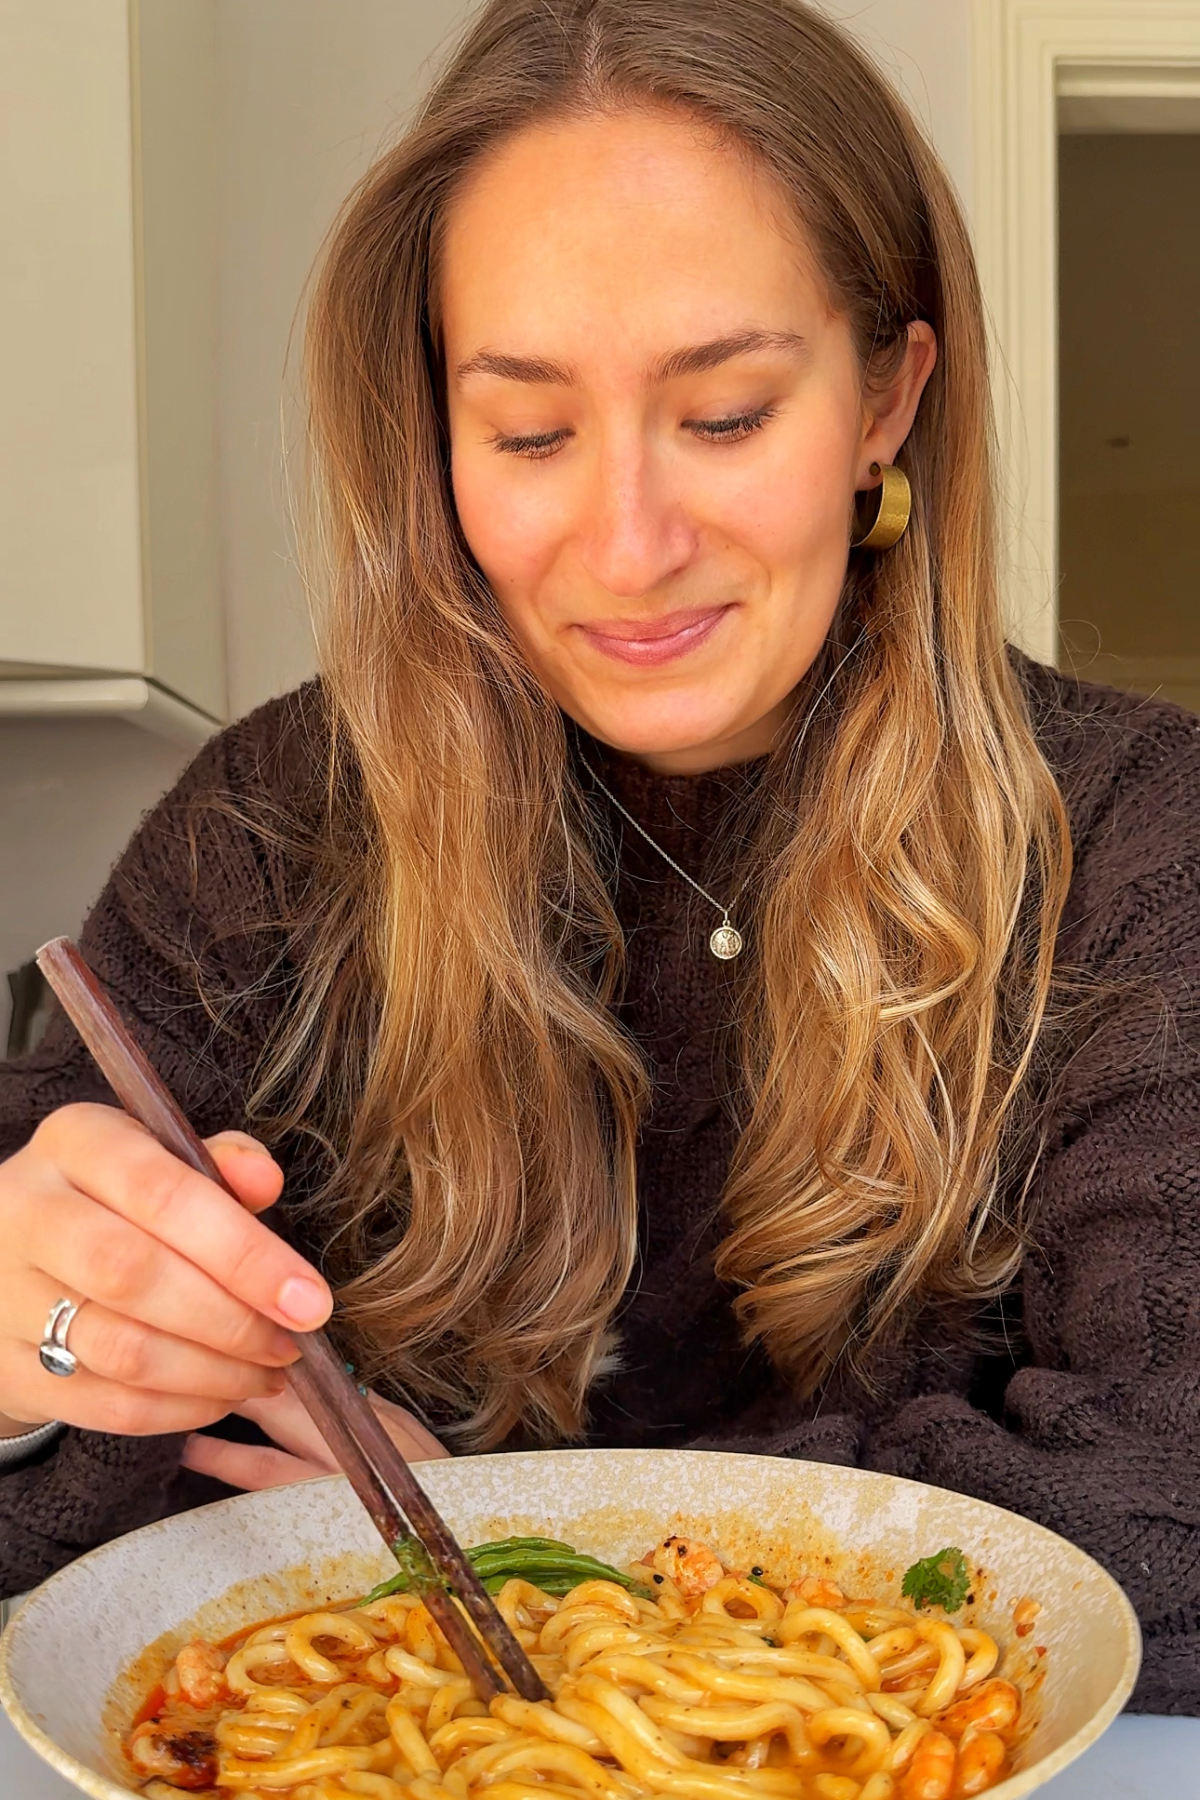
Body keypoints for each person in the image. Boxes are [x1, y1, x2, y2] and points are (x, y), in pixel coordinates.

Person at [1, 0, 1198, 1715]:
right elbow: (56, 1534)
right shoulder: (271, 824)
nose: (629, 547)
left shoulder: (1150, 842)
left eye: (722, 414)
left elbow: (1174, 1507)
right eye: (531, 434)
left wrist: (520, 1554)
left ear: (887, 399)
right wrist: (31, 1359)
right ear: (435, 438)